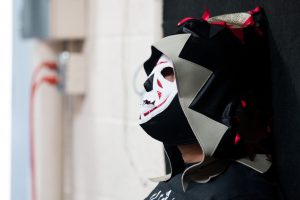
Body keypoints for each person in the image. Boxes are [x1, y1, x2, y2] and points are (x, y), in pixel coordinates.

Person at [138, 7, 278, 200]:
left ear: (210, 92)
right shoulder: (180, 181)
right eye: (152, 73)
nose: (148, 83)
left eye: (167, 72)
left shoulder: (239, 191)